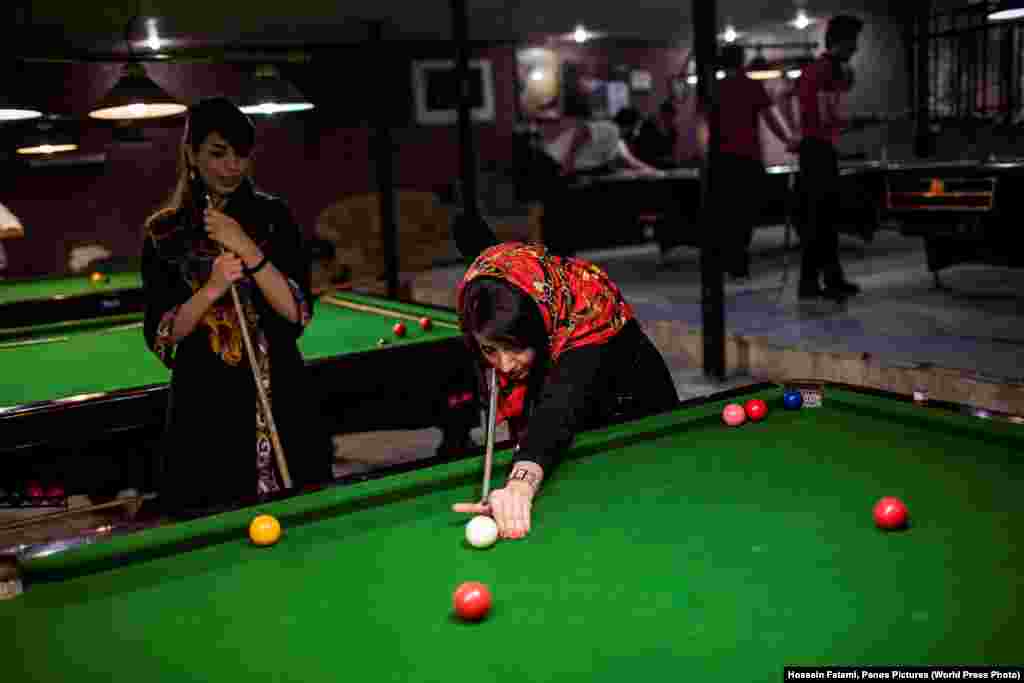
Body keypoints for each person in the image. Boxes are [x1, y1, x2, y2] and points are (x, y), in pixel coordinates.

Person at [142, 97, 331, 516]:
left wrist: (244, 245)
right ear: (191, 154)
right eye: (217, 153)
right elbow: (164, 334)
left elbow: (296, 312)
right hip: (205, 406)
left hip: (282, 392)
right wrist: (211, 288)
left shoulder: (273, 216)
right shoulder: (164, 233)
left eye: (241, 154)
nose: (232, 166)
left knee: (305, 528)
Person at [450, 236, 679, 540]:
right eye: (490, 350)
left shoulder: (587, 312)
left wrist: (520, 483)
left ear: (537, 327)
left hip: (636, 416)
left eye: (514, 348)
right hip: (571, 417)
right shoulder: (499, 291)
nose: (504, 366)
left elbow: (559, 406)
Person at [780, 14, 865, 300]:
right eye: (854, 41)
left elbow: (785, 98)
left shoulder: (816, 70)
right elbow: (830, 116)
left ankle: (830, 278)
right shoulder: (826, 72)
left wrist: (793, 132)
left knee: (823, 219)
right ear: (842, 41)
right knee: (820, 220)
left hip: (814, 148)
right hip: (818, 151)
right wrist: (862, 121)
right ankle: (809, 283)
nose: (856, 48)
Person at [699, 45, 797, 280]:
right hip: (747, 159)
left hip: (720, 160)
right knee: (744, 214)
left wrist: (704, 155)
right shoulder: (752, 86)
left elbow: (702, 125)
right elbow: (771, 118)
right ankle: (738, 265)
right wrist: (788, 140)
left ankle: (724, 263)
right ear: (741, 61)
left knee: (724, 214)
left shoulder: (715, 88)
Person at [535, 104, 663, 256]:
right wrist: (568, 160)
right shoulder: (610, 128)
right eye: (638, 126)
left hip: (562, 167)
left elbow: (628, 160)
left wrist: (653, 171)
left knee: (563, 216)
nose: (638, 130)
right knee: (557, 214)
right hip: (552, 162)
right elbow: (583, 132)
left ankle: (561, 255)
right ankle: (555, 256)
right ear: (632, 124)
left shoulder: (617, 139)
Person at [632, 99, 681, 169]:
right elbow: (640, 151)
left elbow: (672, 152)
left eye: (672, 117)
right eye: (667, 116)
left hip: (665, 165)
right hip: (646, 164)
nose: (671, 120)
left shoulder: (673, 131)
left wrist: (671, 159)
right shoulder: (647, 126)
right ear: (661, 114)